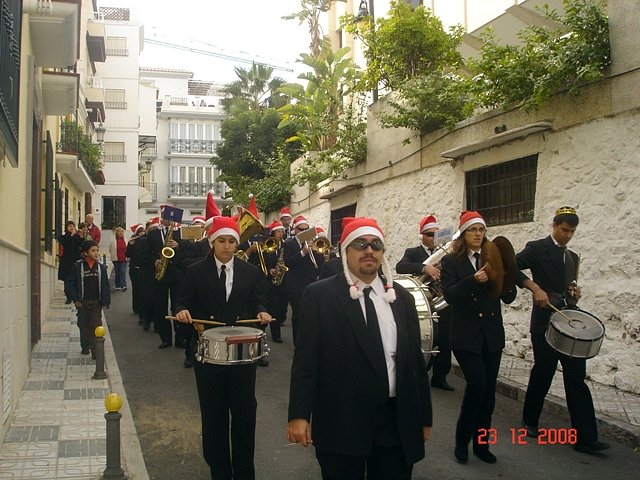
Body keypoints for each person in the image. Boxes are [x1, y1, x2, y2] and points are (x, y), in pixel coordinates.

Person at [288, 217, 432, 480]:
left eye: (376, 245)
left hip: (395, 420)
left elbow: (414, 361)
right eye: (361, 244)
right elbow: (306, 361)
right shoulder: (320, 296)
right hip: (342, 418)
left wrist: (423, 416)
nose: (369, 250)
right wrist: (299, 415)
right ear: (345, 251)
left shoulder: (402, 298)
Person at [174, 216, 272, 480]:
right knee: (213, 416)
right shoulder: (195, 271)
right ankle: (219, 471)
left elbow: (257, 301)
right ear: (212, 242)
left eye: (231, 241)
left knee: (244, 415)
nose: (227, 246)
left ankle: (244, 472)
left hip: (242, 356)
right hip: (208, 357)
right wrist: (182, 311)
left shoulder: (250, 272)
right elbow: (182, 301)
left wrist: (262, 313)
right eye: (222, 241)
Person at [516, 206, 610, 454]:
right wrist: (534, 288)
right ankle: (530, 420)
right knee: (544, 371)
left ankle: (585, 437)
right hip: (544, 321)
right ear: (555, 226)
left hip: (568, 321)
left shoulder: (573, 258)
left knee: (576, 377)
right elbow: (512, 267)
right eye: (564, 230)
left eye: (572, 232)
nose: (568, 235)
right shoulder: (536, 248)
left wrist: (574, 294)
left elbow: (570, 288)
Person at [440, 211, 516, 464]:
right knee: (477, 386)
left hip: (491, 335)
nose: (477, 234)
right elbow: (450, 295)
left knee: (489, 394)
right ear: (463, 233)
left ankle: (482, 444)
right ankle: (462, 442)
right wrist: (473, 280)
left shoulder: (492, 256)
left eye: (481, 230)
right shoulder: (452, 261)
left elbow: (507, 296)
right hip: (466, 336)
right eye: (472, 230)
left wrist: (506, 279)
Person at [396, 215, 454, 391]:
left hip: (441, 302)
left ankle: (440, 377)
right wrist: (424, 267)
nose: (433, 238)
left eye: (436, 235)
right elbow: (401, 267)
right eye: (430, 235)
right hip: (422, 303)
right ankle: (418, 372)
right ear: (422, 236)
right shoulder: (413, 252)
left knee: (445, 340)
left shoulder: (447, 254)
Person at [282, 215, 325, 343]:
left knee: (311, 315)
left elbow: (318, 263)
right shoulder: (289, 243)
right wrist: (303, 253)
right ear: (295, 230)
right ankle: (298, 342)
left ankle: (309, 341)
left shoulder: (311, 242)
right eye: (301, 229)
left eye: (306, 229)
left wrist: (318, 252)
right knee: (298, 315)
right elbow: (288, 263)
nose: (304, 232)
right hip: (296, 285)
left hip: (311, 283)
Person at [65, 240, 110, 358]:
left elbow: (105, 284)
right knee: (83, 325)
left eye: (97, 251)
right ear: (85, 253)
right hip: (83, 302)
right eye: (93, 251)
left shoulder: (100, 267)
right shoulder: (77, 266)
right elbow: (70, 284)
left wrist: (106, 301)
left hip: (96, 302)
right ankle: (85, 346)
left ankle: (95, 350)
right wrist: (75, 299)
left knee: (96, 325)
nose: (96, 253)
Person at [145, 209, 183, 348]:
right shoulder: (153, 233)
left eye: (170, 218)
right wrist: (154, 261)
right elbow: (146, 253)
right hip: (160, 274)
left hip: (176, 274)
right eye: (165, 217)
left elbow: (188, 252)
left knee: (177, 307)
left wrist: (178, 245)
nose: (167, 220)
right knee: (160, 307)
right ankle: (165, 338)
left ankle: (180, 338)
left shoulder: (179, 233)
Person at [58, 220, 81, 303]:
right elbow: (65, 243)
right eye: (70, 226)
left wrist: (81, 237)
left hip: (76, 261)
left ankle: (76, 296)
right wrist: (71, 236)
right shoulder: (63, 237)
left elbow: (81, 245)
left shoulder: (76, 237)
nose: (72, 228)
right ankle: (68, 297)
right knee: (67, 280)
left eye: (73, 226)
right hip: (66, 262)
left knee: (76, 279)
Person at [126, 224, 146, 319]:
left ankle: (142, 308)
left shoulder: (146, 241)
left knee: (142, 289)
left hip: (142, 268)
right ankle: (136, 307)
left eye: (143, 231)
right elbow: (128, 254)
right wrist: (130, 245)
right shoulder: (133, 240)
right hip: (134, 268)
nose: (142, 233)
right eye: (140, 232)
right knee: (136, 289)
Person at [109, 227, 128, 291]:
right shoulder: (113, 240)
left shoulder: (125, 240)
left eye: (122, 232)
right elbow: (110, 249)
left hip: (123, 258)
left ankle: (123, 285)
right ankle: (118, 285)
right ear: (116, 233)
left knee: (122, 271)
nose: (121, 233)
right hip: (116, 258)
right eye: (119, 231)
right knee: (117, 272)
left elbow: (127, 248)